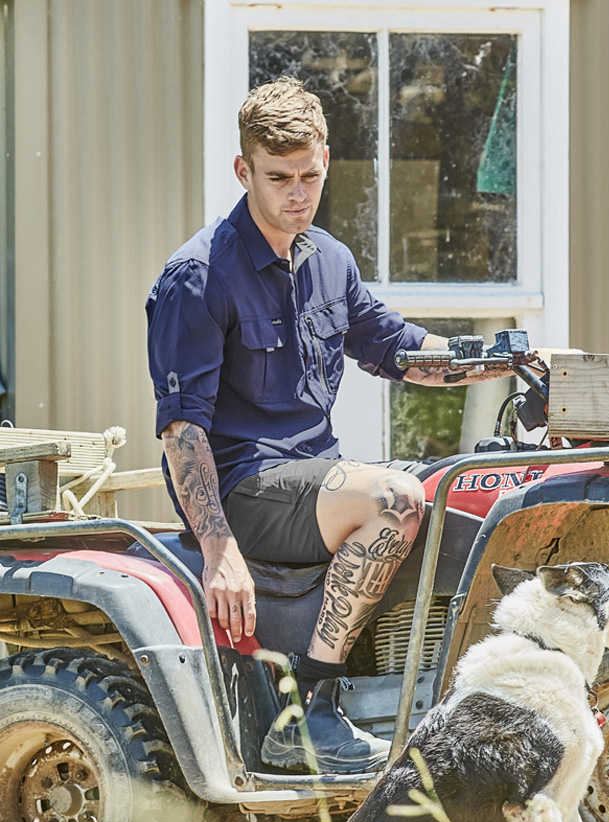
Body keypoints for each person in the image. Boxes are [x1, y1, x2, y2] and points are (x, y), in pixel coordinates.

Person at [146, 76, 517, 775]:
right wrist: (218, 549)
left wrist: (508, 360)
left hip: (312, 477)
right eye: (278, 177)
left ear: (325, 163)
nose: (297, 194)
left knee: (460, 492)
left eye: (310, 176)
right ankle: (308, 714)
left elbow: (399, 351)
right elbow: (182, 433)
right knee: (394, 499)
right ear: (243, 171)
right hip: (243, 487)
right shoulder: (198, 276)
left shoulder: (329, 260)